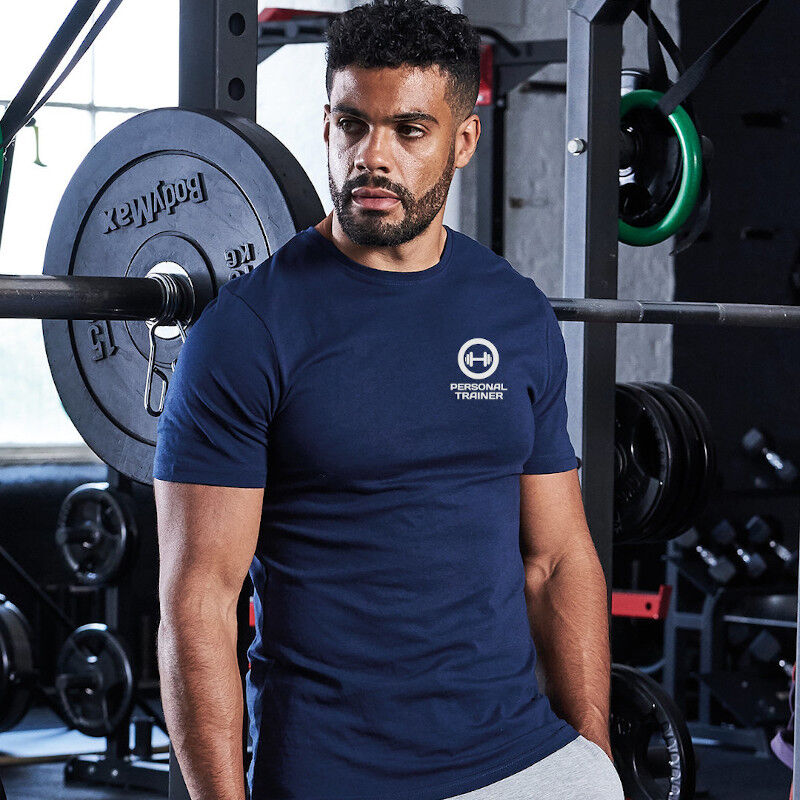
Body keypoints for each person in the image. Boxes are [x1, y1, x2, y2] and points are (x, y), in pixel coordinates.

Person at [153, 1, 624, 798]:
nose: (371, 157)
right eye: (350, 125)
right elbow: (200, 605)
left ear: (462, 140)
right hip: (340, 775)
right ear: (328, 124)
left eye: (408, 131)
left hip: (527, 762)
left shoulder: (514, 311)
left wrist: (592, 756)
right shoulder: (248, 331)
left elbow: (557, 560)